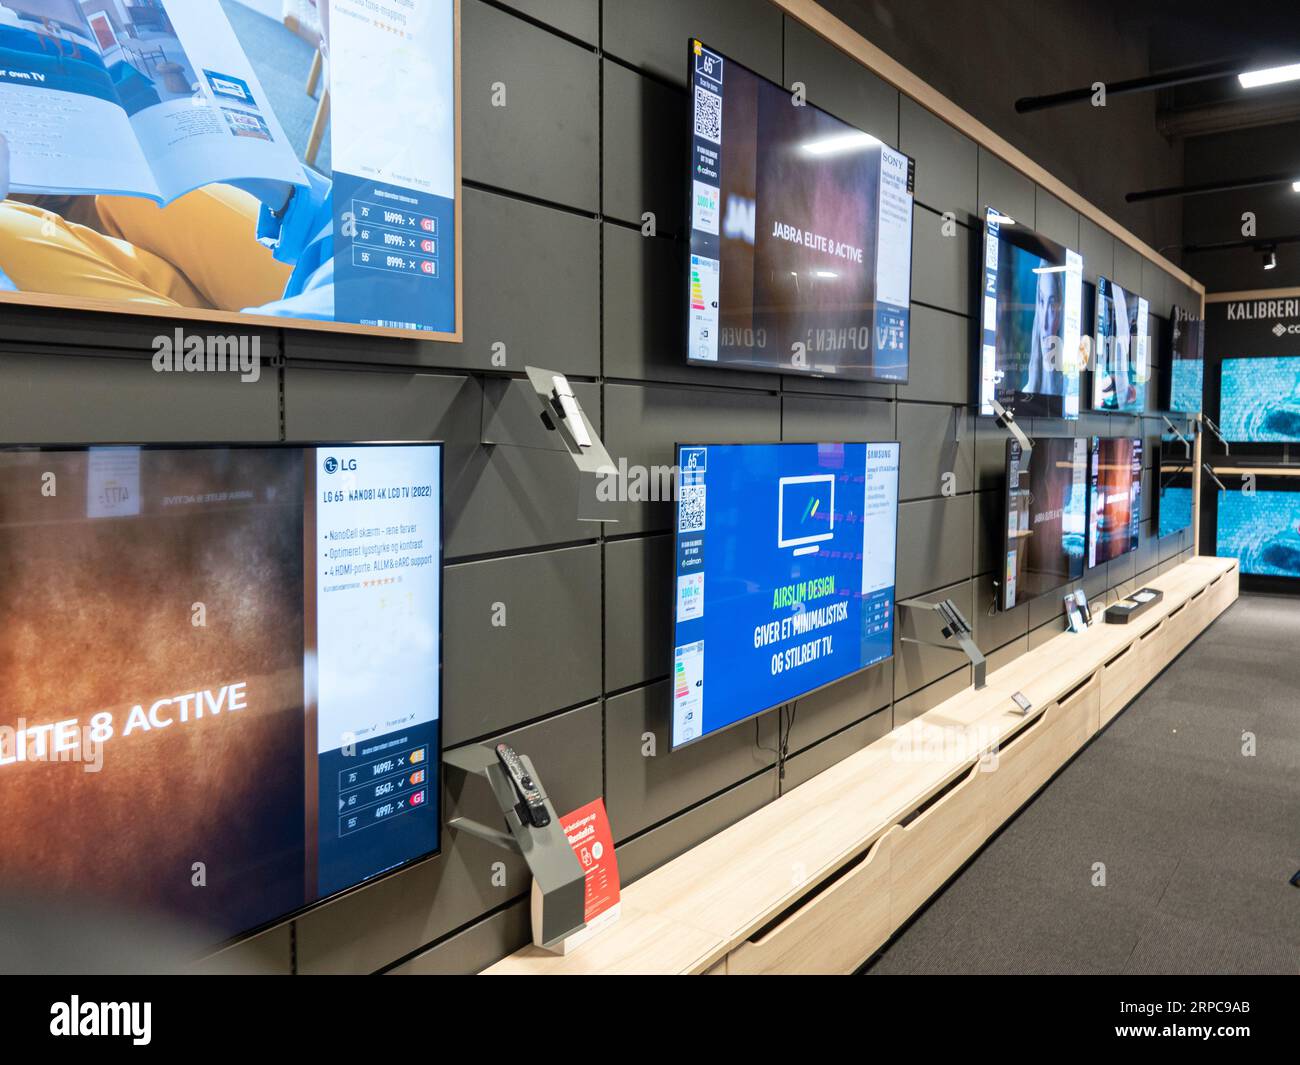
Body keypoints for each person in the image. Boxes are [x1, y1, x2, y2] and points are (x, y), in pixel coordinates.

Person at [0, 0, 336, 318]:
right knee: (136, 192)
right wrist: (288, 193)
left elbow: (247, 366)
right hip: (334, 250)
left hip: (256, 351)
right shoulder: (379, 172)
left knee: (7, 234)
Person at [1022, 268, 1065, 397]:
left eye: (1052, 305)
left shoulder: (1069, 394)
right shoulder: (1026, 392)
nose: (1044, 324)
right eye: (1041, 301)